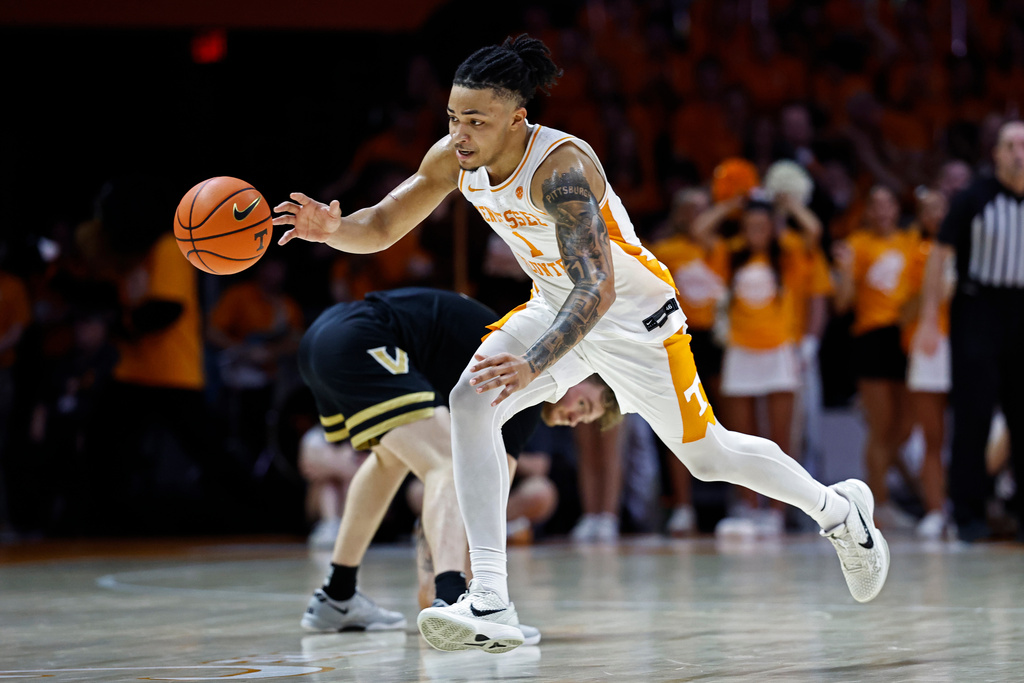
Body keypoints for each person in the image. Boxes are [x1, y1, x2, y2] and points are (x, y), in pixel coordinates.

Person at [274, 35, 890, 655]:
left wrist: (535, 364)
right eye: (453, 118)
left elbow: (596, 286)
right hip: (552, 303)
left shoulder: (561, 169)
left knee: (707, 454)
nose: (461, 134)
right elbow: (381, 225)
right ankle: (489, 598)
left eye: (476, 121)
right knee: (470, 400)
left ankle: (839, 512)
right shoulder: (455, 157)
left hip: (631, 315)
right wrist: (333, 231)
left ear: (518, 119)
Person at [295, 286, 618, 642]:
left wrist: (426, 590)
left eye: (584, 419)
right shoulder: (522, 376)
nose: (574, 419)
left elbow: (476, 509)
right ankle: (452, 600)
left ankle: (337, 594)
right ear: (577, 372)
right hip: (362, 336)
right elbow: (479, 508)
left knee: (390, 461)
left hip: (325, 338)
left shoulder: (522, 386)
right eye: (584, 407)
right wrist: (441, 597)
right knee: (449, 466)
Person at [914, 120, 1024, 542]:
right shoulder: (973, 198)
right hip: (979, 310)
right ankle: (968, 514)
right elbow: (939, 255)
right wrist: (928, 319)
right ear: (995, 152)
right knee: (973, 414)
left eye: (1022, 144)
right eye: (1010, 144)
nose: (1018, 152)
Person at [832, 185, 919, 531]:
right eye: (876, 205)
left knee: (905, 426)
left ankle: (880, 494)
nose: (883, 211)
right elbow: (842, 303)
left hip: (905, 337)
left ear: (897, 209)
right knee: (881, 428)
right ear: (867, 211)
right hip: (871, 337)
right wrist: (848, 271)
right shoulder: (856, 246)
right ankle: (878, 505)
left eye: (889, 204)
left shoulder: (911, 242)